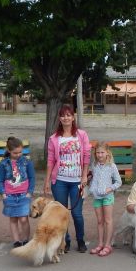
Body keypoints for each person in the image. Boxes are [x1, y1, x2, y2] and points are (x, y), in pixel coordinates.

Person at [44, 104, 91, 252]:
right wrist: (47, 181)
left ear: (73, 117)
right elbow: (50, 161)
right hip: (59, 181)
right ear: (59, 118)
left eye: (68, 115)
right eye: (63, 115)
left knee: (77, 214)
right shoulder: (54, 138)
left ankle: (81, 240)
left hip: (77, 181)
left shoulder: (81, 135)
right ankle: (65, 241)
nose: (66, 118)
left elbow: (86, 156)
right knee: (61, 214)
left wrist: (84, 175)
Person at [0, 136, 35, 249]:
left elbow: (32, 178)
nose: (18, 155)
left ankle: (26, 240)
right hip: (9, 195)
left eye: (20, 152)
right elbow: (0, 180)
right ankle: (16, 241)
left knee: (23, 219)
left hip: (24, 195)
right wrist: (3, 194)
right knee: (13, 219)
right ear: (9, 150)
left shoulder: (27, 162)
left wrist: (29, 192)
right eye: (15, 153)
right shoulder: (3, 163)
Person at [88, 142, 122, 257]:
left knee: (108, 220)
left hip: (107, 196)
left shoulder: (111, 166)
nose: (100, 155)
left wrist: (110, 188)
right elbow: (93, 178)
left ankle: (108, 245)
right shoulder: (94, 165)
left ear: (107, 153)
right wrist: (91, 187)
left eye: (102, 152)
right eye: (98, 152)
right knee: (99, 221)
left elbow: (118, 182)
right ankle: (100, 244)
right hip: (97, 197)